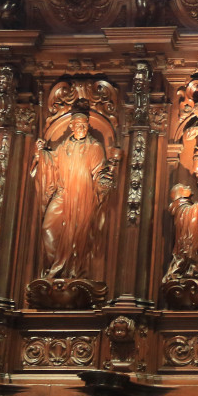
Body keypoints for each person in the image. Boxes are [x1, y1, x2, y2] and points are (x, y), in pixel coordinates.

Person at [32, 108, 116, 279]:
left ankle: (71, 270)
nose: (81, 128)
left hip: (82, 197)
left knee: (77, 235)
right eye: (78, 125)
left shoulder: (94, 147)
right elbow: (51, 162)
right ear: (71, 126)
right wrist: (40, 153)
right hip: (63, 193)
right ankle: (53, 268)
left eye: (84, 125)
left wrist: (103, 181)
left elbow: (100, 171)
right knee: (48, 228)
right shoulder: (64, 147)